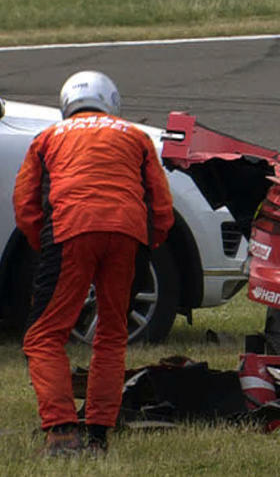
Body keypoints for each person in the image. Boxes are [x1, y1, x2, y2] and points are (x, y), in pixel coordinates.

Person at [13, 71, 174, 457]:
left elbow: (26, 205)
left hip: (71, 230)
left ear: (67, 103)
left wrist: (44, 244)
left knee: (44, 336)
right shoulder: (136, 136)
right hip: (128, 234)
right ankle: (99, 433)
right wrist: (147, 243)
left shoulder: (48, 137)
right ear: (112, 101)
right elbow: (161, 204)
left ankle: (62, 431)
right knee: (112, 335)